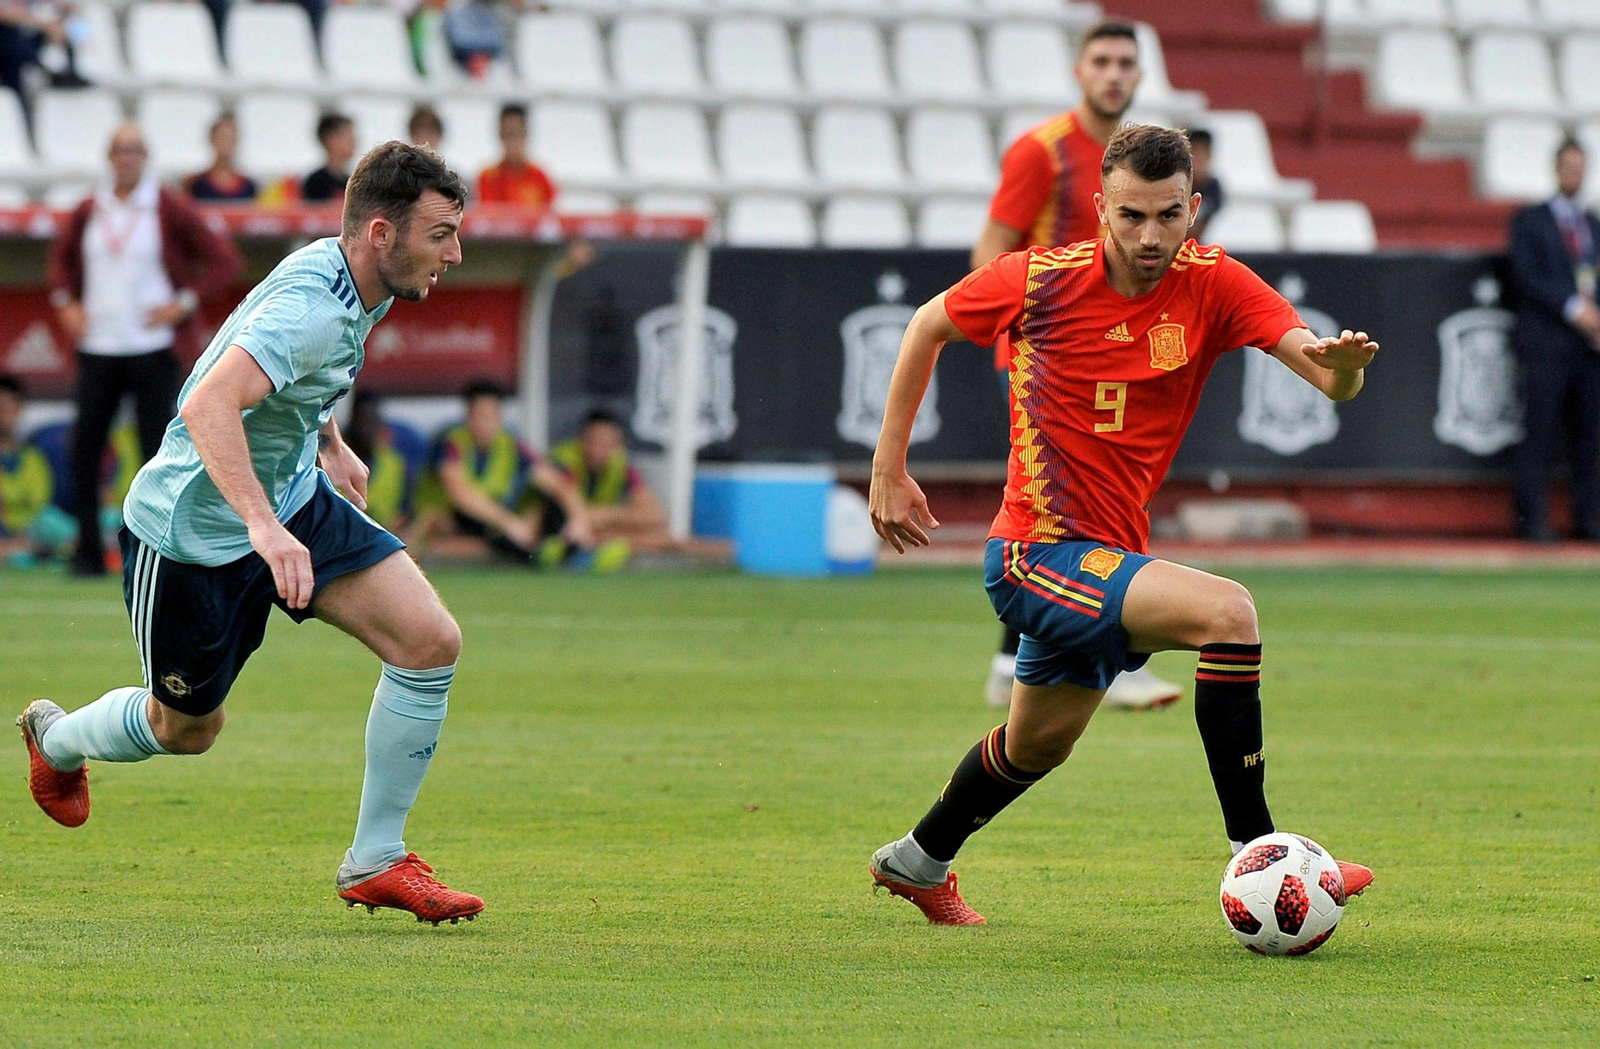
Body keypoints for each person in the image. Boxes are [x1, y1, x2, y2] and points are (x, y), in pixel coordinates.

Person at [865, 125, 1377, 925]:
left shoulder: (1215, 282)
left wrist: (1342, 374)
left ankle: (916, 860)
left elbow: (1322, 370)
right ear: (1102, 207)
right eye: (1131, 215)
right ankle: (1263, 851)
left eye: (1168, 216)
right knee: (1229, 613)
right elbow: (927, 323)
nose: (1149, 236)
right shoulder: (1038, 279)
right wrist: (888, 467)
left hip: (1107, 556)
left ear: (1193, 209)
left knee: (1037, 744)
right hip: (1035, 552)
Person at [18, 141, 486, 925]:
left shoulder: (360, 280)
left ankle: (376, 858)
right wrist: (263, 527)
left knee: (429, 641)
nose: (455, 253)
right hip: (191, 536)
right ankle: (57, 739)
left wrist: (329, 443)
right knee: (186, 730)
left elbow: (303, 375)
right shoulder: (313, 305)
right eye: (440, 235)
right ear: (381, 232)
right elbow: (207, 403)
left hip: (291, 500)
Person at [974, 20, 1181, 712]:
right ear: (1079, 71)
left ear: (1140, 75)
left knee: (1088, 502)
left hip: (1117, 352)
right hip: (1048, 357)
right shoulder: (1043, 152)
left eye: (1126, 62)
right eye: (1102, 61)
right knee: (1069, 503)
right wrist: (1029, 332)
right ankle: (1111, 651)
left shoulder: (1141, 160)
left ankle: (1015, 661)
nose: (1114, 74)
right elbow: (991, 252)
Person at [47, 122, 244, 576]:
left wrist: (184, 302)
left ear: (146, 157)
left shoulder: (166, 205)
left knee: (156, 452)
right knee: (86, 450)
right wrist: (65, 302)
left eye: (135, 150)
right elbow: (60, 261)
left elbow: (224, 259)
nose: (127, 159)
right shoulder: (90, 208)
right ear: (109, 156)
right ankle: (88, 551)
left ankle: (155, 551)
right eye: (120, 150)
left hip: (151, 347)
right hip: (98, 345)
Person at [1508, 138, 1600, 542]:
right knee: (1539, 435)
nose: (1574, 174)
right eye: (1568, 166)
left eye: (1580, 167)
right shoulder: (1530, 221)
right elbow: (1525, 276)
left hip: (1590, 350)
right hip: (1546, 346)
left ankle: (1588, 520)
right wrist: (1573, 307)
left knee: (1590, 438)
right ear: (1556, 168)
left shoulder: (1593, 225)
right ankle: (1532, 521)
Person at [408, 380, 600, 567]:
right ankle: (535, 552)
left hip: (493, 520)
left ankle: (558, 548)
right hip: (451, 521)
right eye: (480, 416)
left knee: (548, 506)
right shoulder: (450, 442)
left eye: (491, 416)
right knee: (465, 528)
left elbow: (555, 481)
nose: (485, 424)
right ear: (468, 415)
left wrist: (578, 519)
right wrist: (509, 523)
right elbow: (461, 495)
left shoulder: (511, 445)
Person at [549, 409, 667, 551]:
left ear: (619, 445)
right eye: (594, 442)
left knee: (660, 538)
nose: (599, 451)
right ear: (581, 439)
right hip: (557, 533)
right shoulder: (564, 461)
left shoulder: (621, 465)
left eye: (608, 444)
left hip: (595, 531)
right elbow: (575, 516)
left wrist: (606, 515)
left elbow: (656, 517)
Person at [0, 374, 73, 562]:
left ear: (19, 409)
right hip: (5, 535)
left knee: (52, 522)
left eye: (9, 405)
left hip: (32, 532)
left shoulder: (33, 458)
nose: (4, 412)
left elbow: (41, 508)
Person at [343, 389, 412, 533]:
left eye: (373, 421)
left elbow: (404, 512)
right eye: (363, 421)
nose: (368, 429)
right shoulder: (331, 462)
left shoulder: (395, 463)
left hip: (384, 536)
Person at [476, 103, 556, 209]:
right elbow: (489, 213)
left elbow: (549, 212)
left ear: (526, 134)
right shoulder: (488, 177)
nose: (512, 142)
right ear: (500, 135)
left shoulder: (539, 176)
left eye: (516, 134)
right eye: (507, 134)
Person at [184, 111, 258, 203]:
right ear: (212, 140)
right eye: (222, 138)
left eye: (230, 139)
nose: (226, 144)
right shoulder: (194, 184)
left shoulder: (249, 187)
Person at [302, 112, 355, 203]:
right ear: (329, 139)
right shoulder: (316, 182)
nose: (353, 141)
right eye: (346, 135)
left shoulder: (352, 181)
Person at [1187, 128, 1224, 243]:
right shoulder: (1172, 187)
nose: (1198, 162)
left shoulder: (1213, 188)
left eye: (1203, 155)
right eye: (1195, 155)